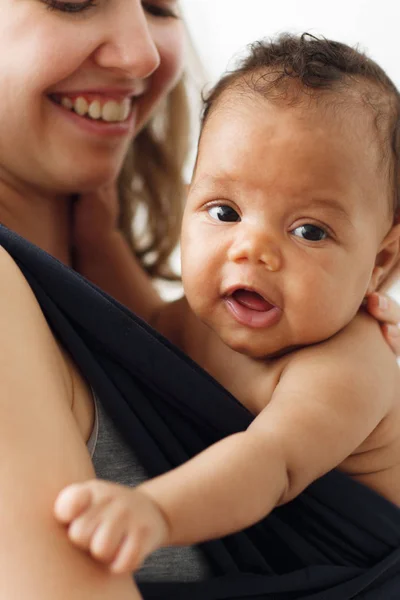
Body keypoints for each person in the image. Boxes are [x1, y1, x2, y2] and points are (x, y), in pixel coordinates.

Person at [0, 0, 399, 596]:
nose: (252, 250)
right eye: (224, 211)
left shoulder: (346, 363)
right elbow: (147, 332)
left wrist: (155, 511)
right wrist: (103, 239)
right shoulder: (204, 321)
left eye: (310, 230)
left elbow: (266, 466)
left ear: (381, 261)